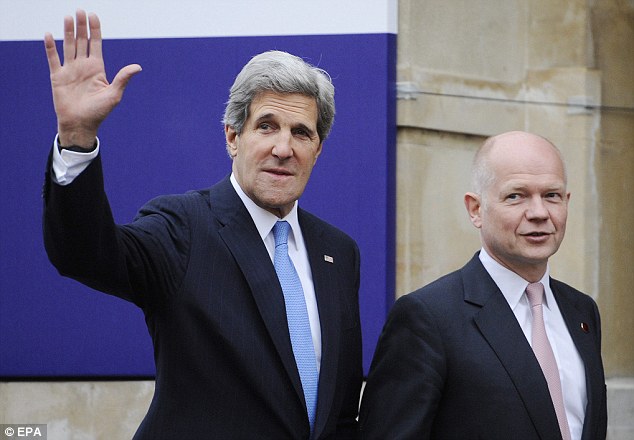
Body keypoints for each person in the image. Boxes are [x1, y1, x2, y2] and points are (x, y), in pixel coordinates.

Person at [42, 10, 362, 440]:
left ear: (317, 149)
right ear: (232, 137)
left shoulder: (338, 252)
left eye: (300, 133)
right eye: (266, 126)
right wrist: (77, 138)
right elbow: (84, 253)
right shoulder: (184, 227)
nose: (283, 148)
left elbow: (338, 412)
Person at [359, 131, 607, 440]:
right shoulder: (429, 318)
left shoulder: (581, 312)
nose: (539, 213)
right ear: (476, 209)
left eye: (551, 195)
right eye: (515, 196)